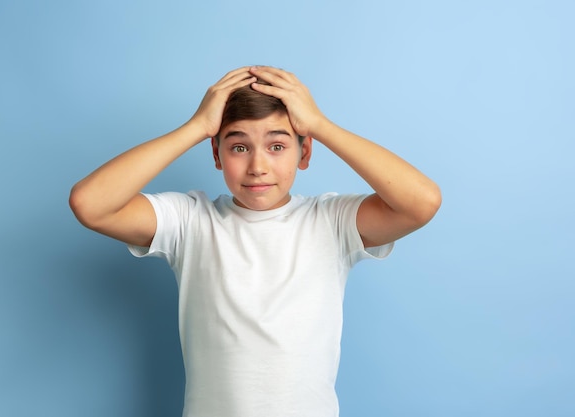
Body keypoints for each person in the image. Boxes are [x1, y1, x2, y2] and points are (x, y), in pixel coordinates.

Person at [69, 66, 441, 417]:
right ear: (217, 153)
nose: (258, 166)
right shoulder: (190, 221)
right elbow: (90, 204)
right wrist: (197, 126)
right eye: (239, 147)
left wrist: (320, 125)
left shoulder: (332, 220)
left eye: (277, 146)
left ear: (305, 151)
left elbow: (421, 202)